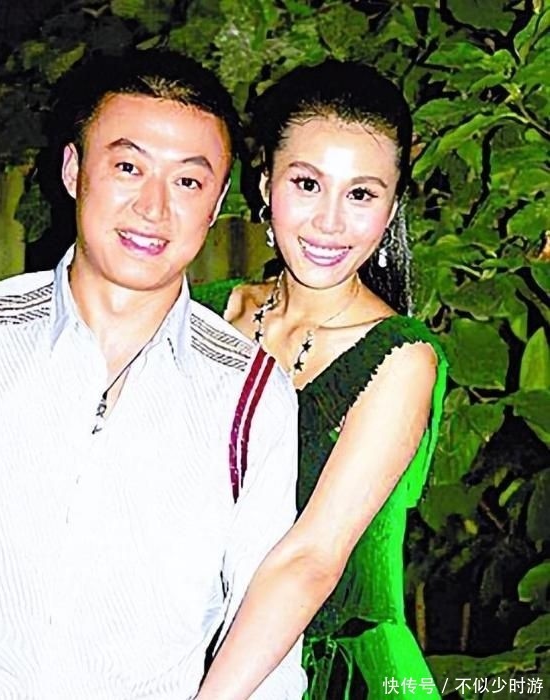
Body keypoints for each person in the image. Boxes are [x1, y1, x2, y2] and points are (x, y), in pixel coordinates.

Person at [0, 50, 306, 699]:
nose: (153, 207)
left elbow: (267, 641)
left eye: (187, 182)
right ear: (73, 170)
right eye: (128, 167)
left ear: (216, 204)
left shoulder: (249, 397)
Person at [193, 60, 448, 699]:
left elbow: (312, 559)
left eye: (361, 194)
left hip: (337, 672)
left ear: (391, 208)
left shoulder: (400, 358)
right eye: (307, 184)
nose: (330, 223)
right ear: (265, 185)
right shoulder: (202, 314)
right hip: (188, 648)